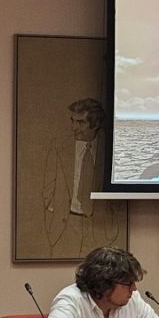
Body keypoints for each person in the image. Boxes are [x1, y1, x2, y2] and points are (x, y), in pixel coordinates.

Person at [42, 246, 159, 318]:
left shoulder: (133, 300)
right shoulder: (71, 299)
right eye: (128, 283)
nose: (134, 289)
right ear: (104, 284)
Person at [41, 98, 121, 256]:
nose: (74, 128)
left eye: (81, 123)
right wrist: (54, 210)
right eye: (73, 121)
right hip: (66, 226)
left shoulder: (111, 148)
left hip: (100, 227)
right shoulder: (59, 147)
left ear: (96, 124)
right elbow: (48, 187)